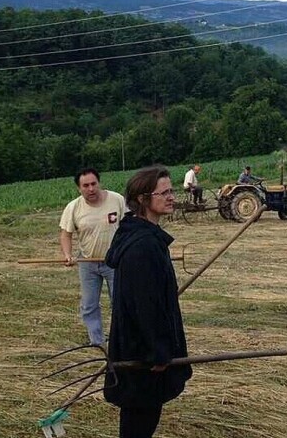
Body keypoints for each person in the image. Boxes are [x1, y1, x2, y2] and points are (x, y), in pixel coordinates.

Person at [104, 165, 192, 438]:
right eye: (163, 193)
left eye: (171, 190)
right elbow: (144, 306)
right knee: (140, 415)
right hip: (142, 350)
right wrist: (158, 351)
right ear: (143, 199)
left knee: (141, 413)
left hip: (140, 346)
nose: (171, 197)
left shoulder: (142, 236)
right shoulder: (143, 246)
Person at [59, 168, 126, 346]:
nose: (91, 189)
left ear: (99, 182)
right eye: (85, 185)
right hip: (87, 262)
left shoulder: (117, 200)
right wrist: (67, 255)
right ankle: (97, 341)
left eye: (93, 184)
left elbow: (130, 225)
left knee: (119, 302)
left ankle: (120, 338)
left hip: (115, 261)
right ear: (79, 188)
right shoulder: (73, 207)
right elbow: (66, 234)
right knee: (89, 305)